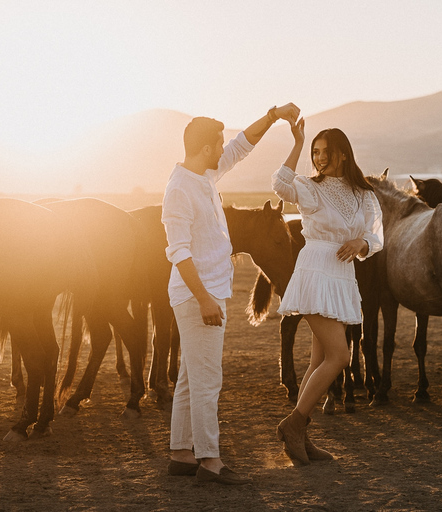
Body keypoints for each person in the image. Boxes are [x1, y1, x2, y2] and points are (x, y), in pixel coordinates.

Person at [162, 103, 300, 485]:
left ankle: (180, 453)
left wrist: (273, 117)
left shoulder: (203, 176)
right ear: (206, 148)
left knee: (192, 377)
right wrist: (205, 299)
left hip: (207, 292)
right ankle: (209, 460)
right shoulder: (179, 190)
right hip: (197, 296)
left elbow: (243, 145)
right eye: (218, 144)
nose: (224, 149)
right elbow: (178, 252)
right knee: (208, 381)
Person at [271, 120, 384, 464]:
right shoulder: (308, 187)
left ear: (343, 155)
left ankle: (300, 437)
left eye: (325, 152)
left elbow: (377, 236)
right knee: (340, 357)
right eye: (314, 152)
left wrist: (361, 241)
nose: (319, 158)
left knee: (319, 361)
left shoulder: (364, 195)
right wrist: (297, 141)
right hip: (316, 270)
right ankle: (293, 424)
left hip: (341, 276)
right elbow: (279, 184)